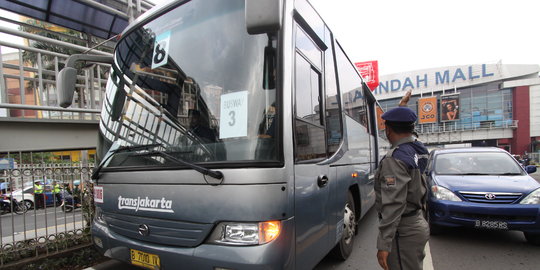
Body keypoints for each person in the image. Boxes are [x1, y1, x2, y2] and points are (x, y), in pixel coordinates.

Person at [375, 105, 430, 270]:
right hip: (417, 221)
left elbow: (394, 204)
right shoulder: (417, 148)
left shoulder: (395, 159)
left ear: (388, 130)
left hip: (403, 232)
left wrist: (384, 244)